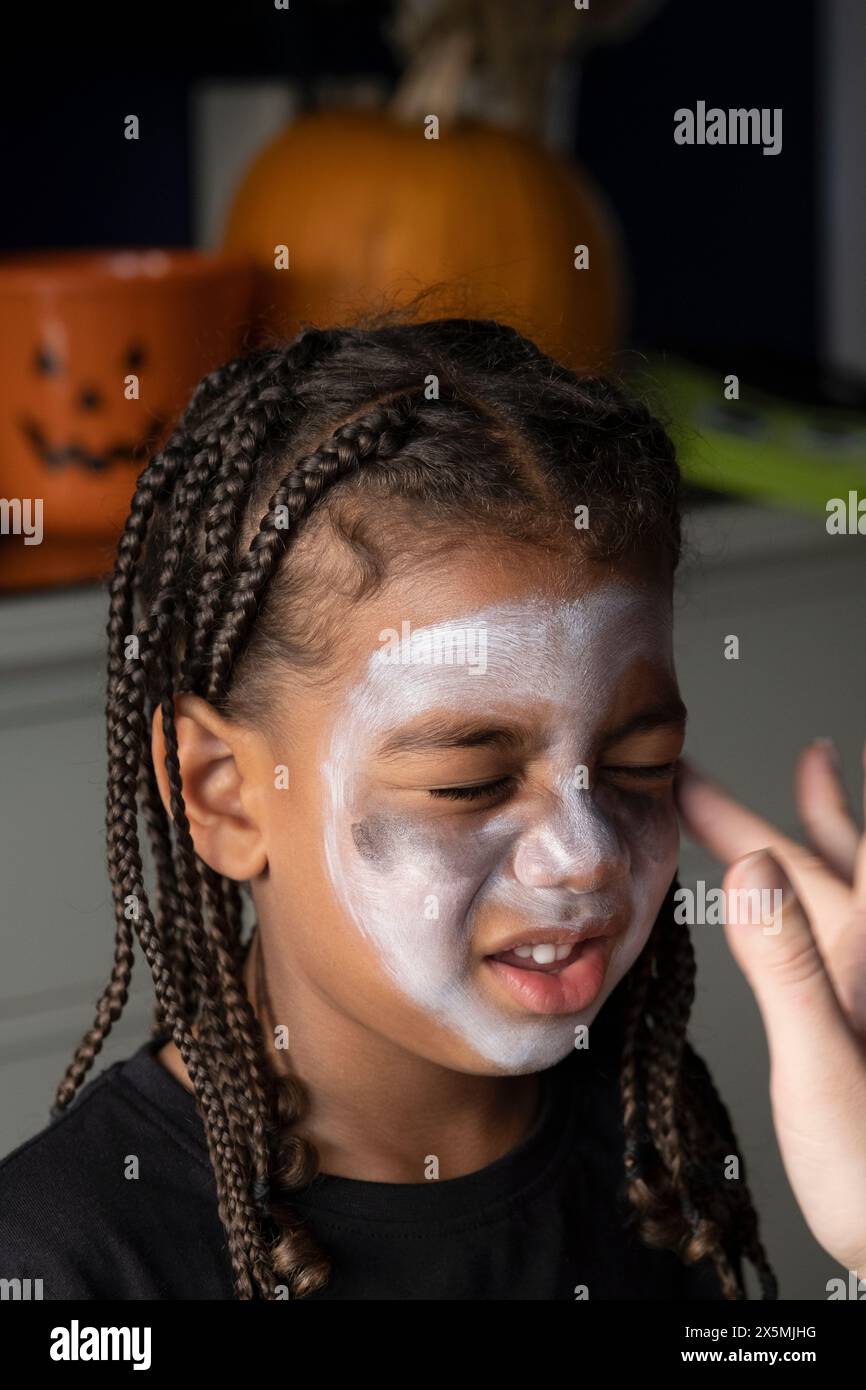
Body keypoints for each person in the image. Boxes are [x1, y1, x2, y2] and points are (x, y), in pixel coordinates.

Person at [1, 316, 863, 1300]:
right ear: (224, 795)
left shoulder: (650, 1145)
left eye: (637, 764)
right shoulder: (60, 1266)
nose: (583, 857)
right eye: (467, 784)